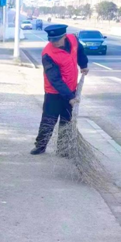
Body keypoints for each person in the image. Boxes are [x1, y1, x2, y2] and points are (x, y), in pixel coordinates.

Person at [31, 24, 89, 155]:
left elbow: (80, 51)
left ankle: (63, 149)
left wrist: (83, 64)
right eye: (51, 39)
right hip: (54, 93)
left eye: (56, 39)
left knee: (66, 121)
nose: (54, 42)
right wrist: (70, 97)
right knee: (49, 120)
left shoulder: (73, 39)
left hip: (71, 89)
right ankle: (40, 146)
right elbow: (54, 79)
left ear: (64, 36)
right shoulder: (48, 54)